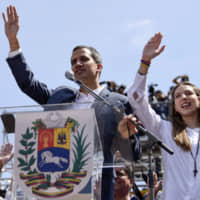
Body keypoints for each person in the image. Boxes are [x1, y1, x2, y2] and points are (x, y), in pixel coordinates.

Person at [2, 6, 141, 200]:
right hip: (57, 184)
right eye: (74, 61)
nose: (77, 64)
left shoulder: (118, 103)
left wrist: (129, 135)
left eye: (83, 59)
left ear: (99, 67)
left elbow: (132, 155)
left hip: (98, 186)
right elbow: (27, 83)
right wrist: (12, 41)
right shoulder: (61, 96)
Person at [121, 32, 200, 199]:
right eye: (177, 96)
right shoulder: (165, 129)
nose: (183, 98)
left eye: (188, 94)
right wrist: (145, 62)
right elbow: (136, 98)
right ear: (175, 108)